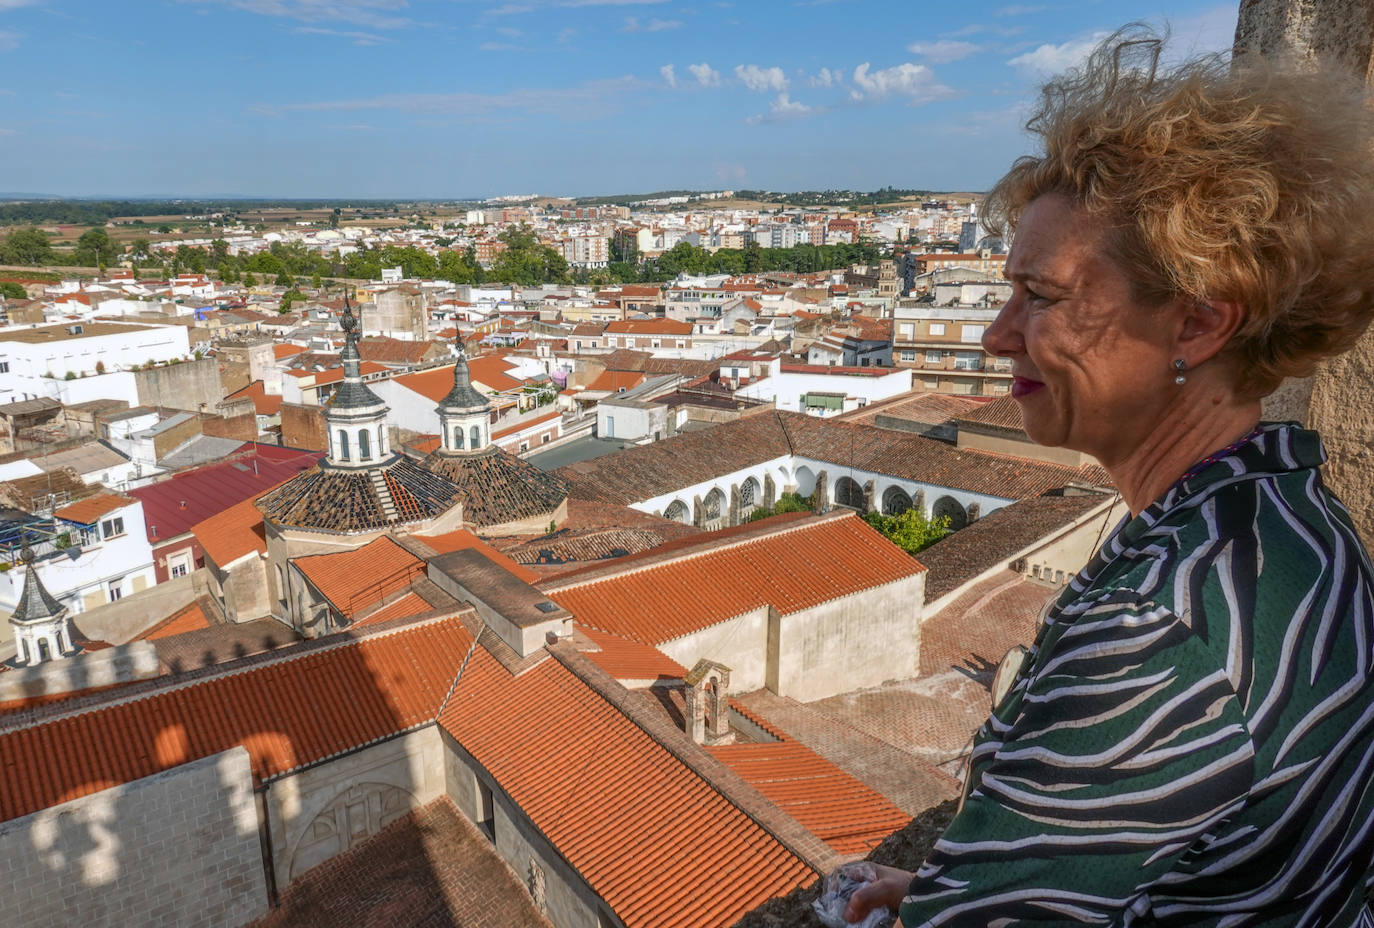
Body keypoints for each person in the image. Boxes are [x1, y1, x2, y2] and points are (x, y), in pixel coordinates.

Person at [846, 27, 1374, 928]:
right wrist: (967, 885)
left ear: (1199, 325)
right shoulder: (1292, 524)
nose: (994, 334)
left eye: (1041, 298)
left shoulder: (1159, 624)